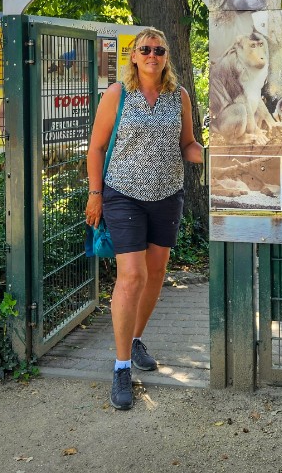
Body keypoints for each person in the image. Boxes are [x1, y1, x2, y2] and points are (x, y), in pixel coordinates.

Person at [85, 28, 203, 410]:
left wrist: (222, 154)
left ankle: (135, 340)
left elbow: (188, 144)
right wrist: (95, 193)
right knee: (131, 275)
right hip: (123, 195)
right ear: (134, 56)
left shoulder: (179, 96)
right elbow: (97, 146)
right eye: (145, 49)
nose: (153, 55)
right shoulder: (118, 95)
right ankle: (121, 368)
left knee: (155, 274)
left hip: (167, 195)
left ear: (167, 56)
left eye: (159, 50)